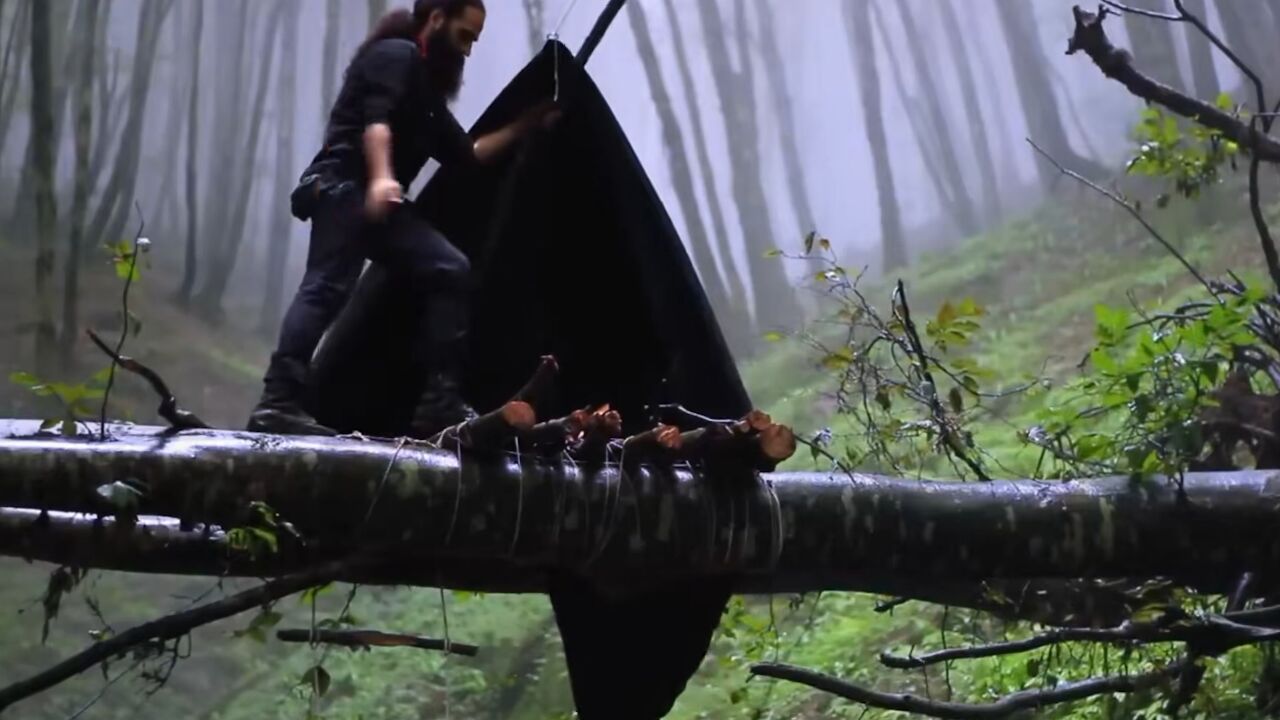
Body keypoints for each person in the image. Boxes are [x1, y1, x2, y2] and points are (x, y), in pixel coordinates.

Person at [248, 0, 558, 438]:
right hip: (342, 189)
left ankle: (438, 406)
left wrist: (528, 122)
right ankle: (276, 402)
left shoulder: (427, 94)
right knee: (326, 287)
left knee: (450, 268)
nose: (468, 50)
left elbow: (467, 155)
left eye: (474, 40)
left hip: (380, 203)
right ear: (436, 19)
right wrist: (380, 178)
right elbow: (376, 122)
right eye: (463, 35)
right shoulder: (397, 55)